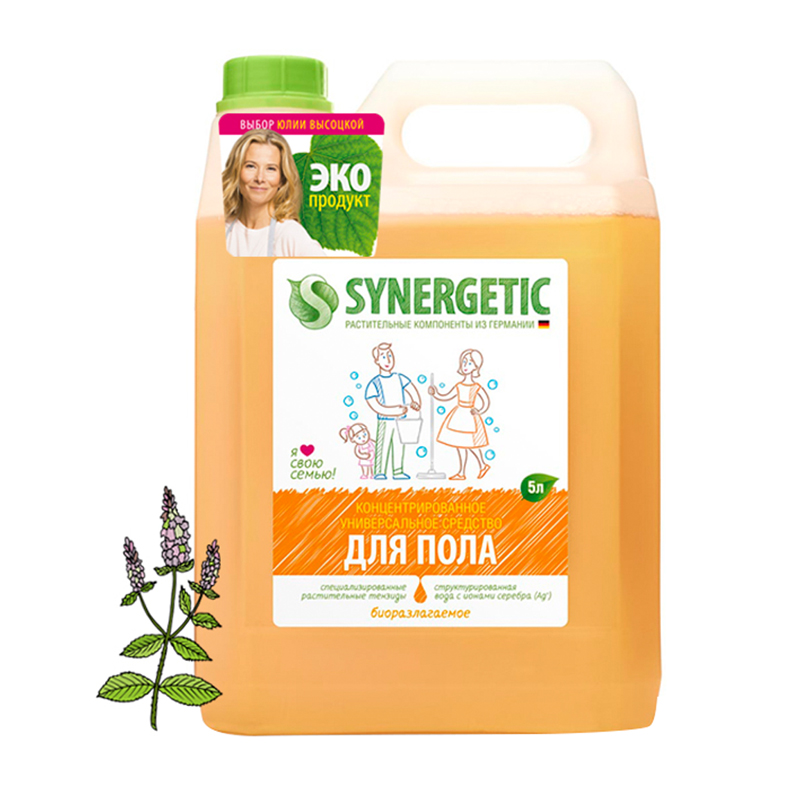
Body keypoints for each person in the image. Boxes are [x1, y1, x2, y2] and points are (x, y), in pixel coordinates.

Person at [222, 130, 325, 257]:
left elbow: (328, 269)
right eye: (250, 166)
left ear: (282, 179)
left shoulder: (290, 234)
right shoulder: (220, 230)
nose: (260, 178)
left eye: (271, 169)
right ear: (236, 172)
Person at [428, 349, 491, 480]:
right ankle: (462, 472)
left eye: (470, 363)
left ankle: (482, 465)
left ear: (476, 367)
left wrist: (479, 410)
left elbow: (486, 402)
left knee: (471, 444)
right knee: (460, 444)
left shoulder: (476, 387)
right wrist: (435, 393)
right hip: (458, 416)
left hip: (470, 416)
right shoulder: (459, 386)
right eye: (464, 362)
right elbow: (446, 397)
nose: (465, 365)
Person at [364, 343, 421, 480]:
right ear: (377, 361)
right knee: (382, 446)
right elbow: (375, 405)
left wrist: (416, 402)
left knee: (399, 445)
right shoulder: (375, 383)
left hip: (401, 420)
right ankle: (379, 472)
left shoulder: (399, 378)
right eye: (383, 357)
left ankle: (398, 471)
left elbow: (412, 390)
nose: (388, 360)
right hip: (385, 421)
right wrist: (394, 411)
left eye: (390, 355)